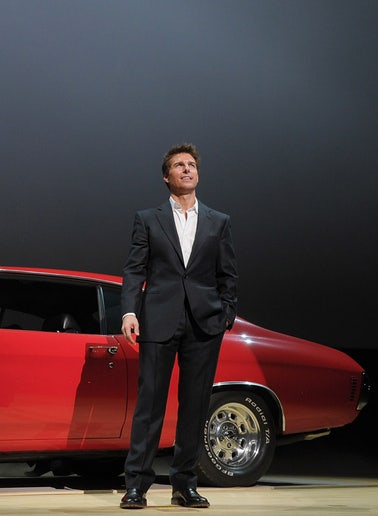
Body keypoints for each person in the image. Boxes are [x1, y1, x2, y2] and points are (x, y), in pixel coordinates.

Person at [118, 143, 238, 510]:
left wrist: (225, 314)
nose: (186, 170)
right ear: (166, 176)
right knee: (150, 404)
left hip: (204, 322)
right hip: (158, 318)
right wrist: (129, 312)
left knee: (195, 406)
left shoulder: (219, 221)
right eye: (178, 165)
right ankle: (136, 484)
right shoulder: (148, 218)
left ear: (197, 173)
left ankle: (184, 484)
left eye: (191, 165)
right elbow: (135, 269)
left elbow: (227, 273)